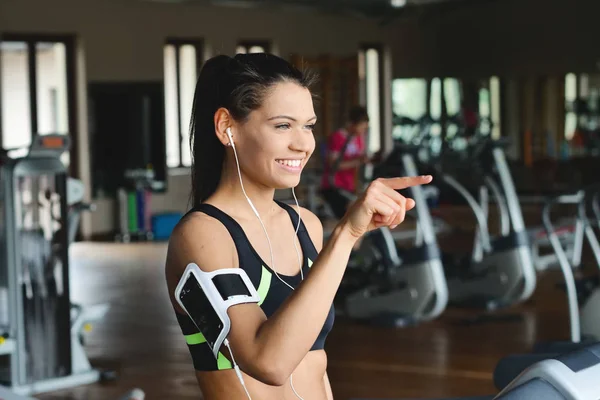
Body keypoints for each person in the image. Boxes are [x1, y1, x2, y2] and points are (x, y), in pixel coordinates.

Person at [164, 53, 431, 400]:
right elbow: (268, 363)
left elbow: (315, 366)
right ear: (226, 127)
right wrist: (346, 236)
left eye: (308, 125)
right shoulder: (203, 236)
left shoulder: (305, 225)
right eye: (282, 125)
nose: (303, 143)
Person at [319, 106, 372, 219]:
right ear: (352, 124)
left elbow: (359, 162)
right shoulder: (337, 138)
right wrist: (357, 161)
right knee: (352, 217)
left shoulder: (358, 138)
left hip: (350, 186)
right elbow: (334, 165)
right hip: (334, 186)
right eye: (361, 127)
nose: (363, 131)